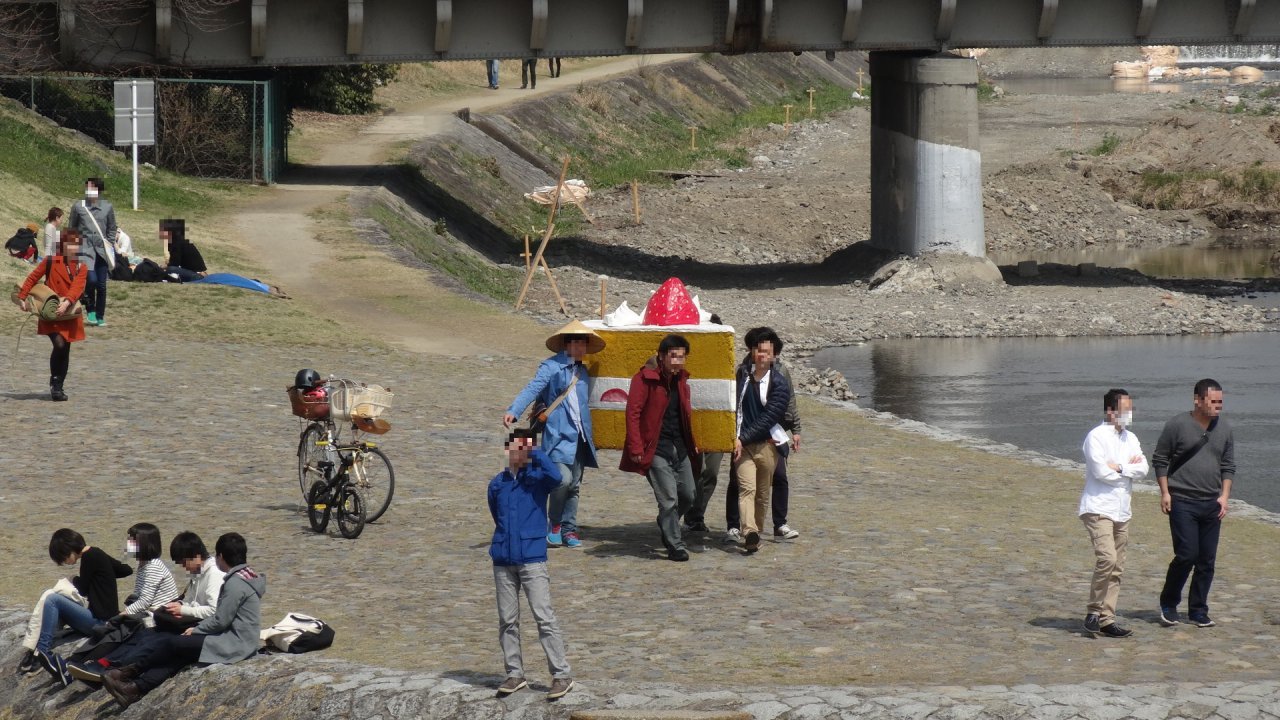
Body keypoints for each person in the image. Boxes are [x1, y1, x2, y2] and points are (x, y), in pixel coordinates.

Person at [100, 533, 265, 708]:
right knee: (179, 655)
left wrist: (196, 630)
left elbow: (220, 620)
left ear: (221, 556)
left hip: (235, 642)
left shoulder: (234, 584)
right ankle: (135, 688)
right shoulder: (246, 577)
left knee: (173, 643)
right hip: (236, 637)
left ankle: (128, 673)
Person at [503, 319, 606, 549]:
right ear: (566, 345)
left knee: (575, 486)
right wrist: (514, 410)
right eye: (576, 343)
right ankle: (555, 524)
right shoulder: (550, 367)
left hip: (580, 436)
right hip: (558, 435)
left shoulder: (583, 371)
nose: (580, 348)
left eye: (583, 344)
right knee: (562, 480)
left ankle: (570, 529)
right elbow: (533, 388)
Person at [488, 429, 573, 700]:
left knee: (544, 617)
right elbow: (496, 514)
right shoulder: (497, 483)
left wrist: (534, 451)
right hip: (503, 559)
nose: (517, 452)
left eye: (523, 448)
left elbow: (558, 477)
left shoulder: (537, 480)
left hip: (532, 559)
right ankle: (515, 673)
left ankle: (561, 674)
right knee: (507, 620)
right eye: (515, 447)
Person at [1154, 378, 1235, 629]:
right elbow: (1160, 460)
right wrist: (1165, 493)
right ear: (1198, 400)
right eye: (1213, 401)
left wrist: (1224, 496)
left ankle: (1198, 610)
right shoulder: (1177, 425)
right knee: (1187, 554)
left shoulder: (1225, 429)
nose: (1218, 406)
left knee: (1207, 560)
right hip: (1182, 502)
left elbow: (1228, 465)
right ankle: (1168, 603)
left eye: (1221, 402)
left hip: (1212, 503)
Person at [621, 335, 701, 561]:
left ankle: (667, 521)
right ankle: (675, 544)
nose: (677, 361)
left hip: (680, 447)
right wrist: (636, 447)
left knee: (689, 495)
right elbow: (633, 413)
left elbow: (684, 415)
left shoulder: (682, 381)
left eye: (681, 356)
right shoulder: (643, 379)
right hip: (654, 448)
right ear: (662, 356)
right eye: (673, 356)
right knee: (669, 499)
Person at [19, 529, 132, 684]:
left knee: (52, 599)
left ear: (69, 549)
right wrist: (104, 573)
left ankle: (41, 652)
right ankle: (38, 648)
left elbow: (83, 588)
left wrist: (73, 579)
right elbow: (126, 570)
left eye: (64, 558)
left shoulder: (89, 557)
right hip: (105, 617)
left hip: (100, 622)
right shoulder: (97, 554)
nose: (66, 562)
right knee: (55, 602)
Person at [1078, 388, 1148, 639]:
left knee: (1117, 566)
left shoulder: (1131, 438)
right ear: (1110, 410)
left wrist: (1119, 467)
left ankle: (1108, 618)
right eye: (1125, 409)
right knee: (1106, 558)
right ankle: (1093, 612)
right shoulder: (1095, 436)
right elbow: (1100, 472)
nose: (1129, 414)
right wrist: (1126, 470)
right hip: (1098, 507)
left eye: (1131, 409)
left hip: (1122, 510)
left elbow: (1143, 468)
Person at [723, 326, 802, 542]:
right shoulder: (742, 373)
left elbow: (788, 402)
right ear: (751, 350)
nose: (761, 354)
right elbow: (733, 403)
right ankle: (738, 527)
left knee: (775, 481)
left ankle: (777, 524)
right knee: (739, 483)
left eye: (766, 350)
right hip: (743, 440)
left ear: (774, 353)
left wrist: (796, 429)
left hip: (770, 437)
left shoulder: (780, 375)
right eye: (757, 349)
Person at [13, 230, 88, 401]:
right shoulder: (51, 261)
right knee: (59, 344)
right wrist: (22, 297)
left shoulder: (81, 265)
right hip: (51, 310)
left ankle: (58, 386)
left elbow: (78, 286)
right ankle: (55, 381)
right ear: (63, 245)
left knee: (66, 348)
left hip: (69, 312)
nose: (74, 247)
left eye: (77, 244)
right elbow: (32, 278)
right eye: (71, 243)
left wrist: (67, 302)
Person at [68, 177, 116, 326]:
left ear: (99, 190)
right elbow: (72, 228)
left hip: (102, 251)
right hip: (84, 250)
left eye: (92, 188)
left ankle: (100, 316)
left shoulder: (107, 207)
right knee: (91, 279)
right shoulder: (78, 207)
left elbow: (112, 227)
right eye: (87, 187)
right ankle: (90, 309)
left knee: (102, 284)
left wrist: (109, 242)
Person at [118, 523, 181, 625]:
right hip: (149, 612)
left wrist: (123, 614)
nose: (128, 544)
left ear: (144, 544)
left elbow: (145, 601)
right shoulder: (144, 564)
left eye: (132, 541)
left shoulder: (153, 567)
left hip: (158, 616)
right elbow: (139, 595)